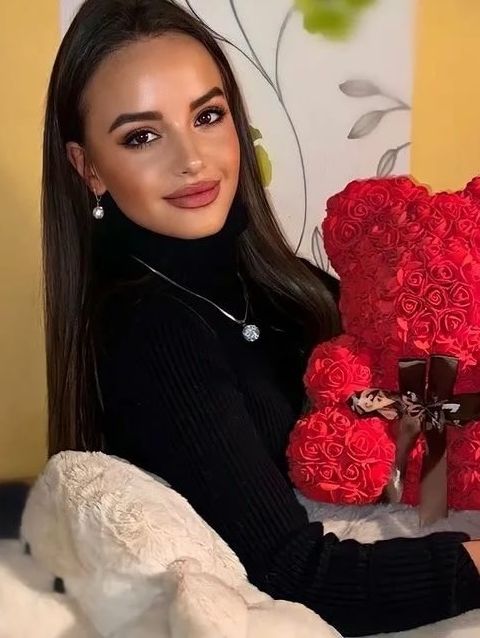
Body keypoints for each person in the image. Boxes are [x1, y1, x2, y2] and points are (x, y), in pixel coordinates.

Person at [42, 0, 480, 634]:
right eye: (142, 136)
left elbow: (418, 439)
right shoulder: (151, 331)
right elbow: (298, 576)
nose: (192, 159)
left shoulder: (283, 282)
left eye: (207, 116)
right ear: (89, 169)